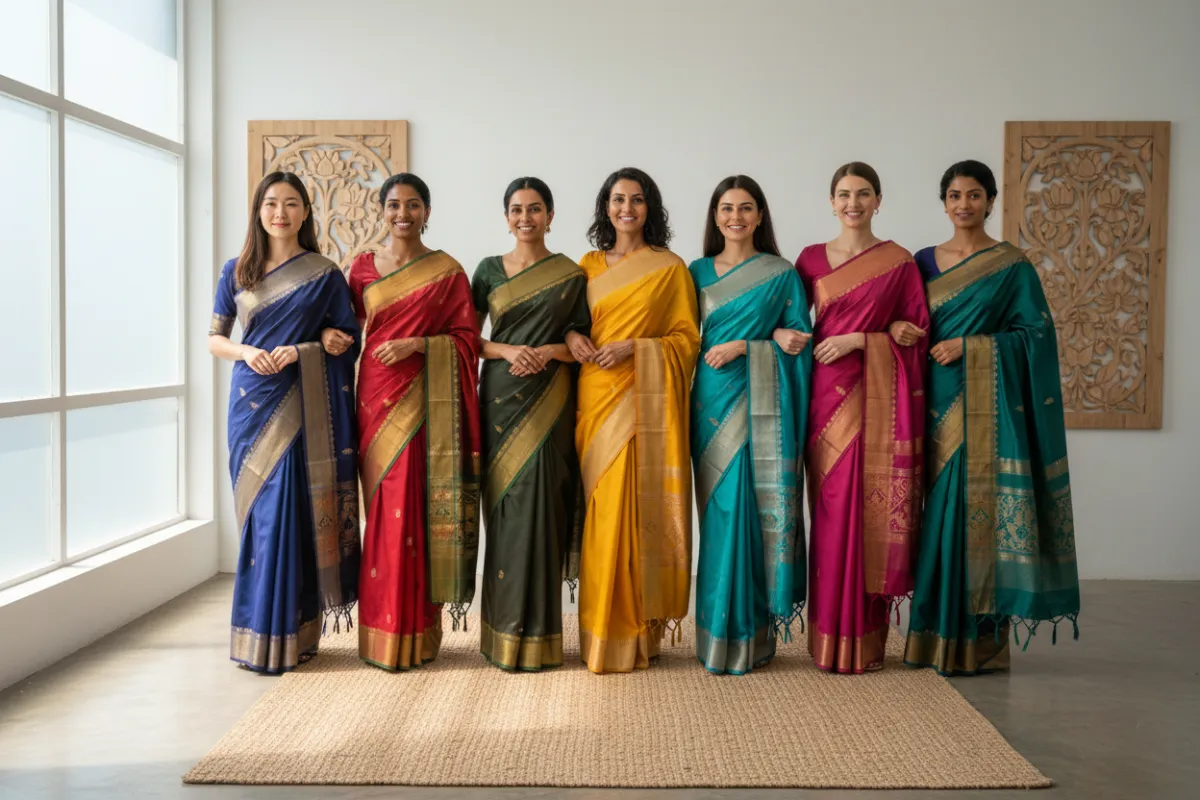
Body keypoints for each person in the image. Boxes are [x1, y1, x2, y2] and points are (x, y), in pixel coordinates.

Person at [905, 159, 1080, 676]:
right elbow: (906, 319)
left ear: (990, 201)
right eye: (955, 196)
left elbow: (1036, 336)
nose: (964, 205)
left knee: (977, 514)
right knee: (937, 518)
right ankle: (932, 637)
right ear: (943, 203)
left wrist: (972, 346)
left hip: (986, 406)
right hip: (931, 401)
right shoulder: (921, 262)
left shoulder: (1010, 265)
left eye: (974, 195)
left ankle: (978, 643)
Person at [208, 171, 361, 673]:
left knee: (294, 514)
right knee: (261, 518)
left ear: (305, 212)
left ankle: (296, 634)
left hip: (303, 402)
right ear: (258, 210)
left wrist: (308, 348)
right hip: (251, 403)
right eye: (271, 203)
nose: (280, 212)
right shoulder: (237, 271)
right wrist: (246, 352)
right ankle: (257, 634)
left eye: (291, 203)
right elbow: (215, 339)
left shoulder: (324, 273)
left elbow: (347, 339)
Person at [795, 161, 929, 674]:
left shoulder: (899, 262)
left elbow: (918, 333)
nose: (854, 203)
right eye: (845, 194)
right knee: (830, 513)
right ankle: (828, 636)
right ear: (831, 202)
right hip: (824, 398)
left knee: (868, 511)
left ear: (878, 201)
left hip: (877, 400)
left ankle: (865, 640)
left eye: (864, 193)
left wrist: (865, 338)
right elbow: (791, 323)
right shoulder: (809, 260)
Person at [346, 173, 482, 671]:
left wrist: (420, 345)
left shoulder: (447, 271)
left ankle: (418, 633)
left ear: (427, 211)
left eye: (413, 205)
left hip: (426, 399)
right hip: (375, 397)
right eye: (394, 205)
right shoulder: (362, 267)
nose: (402, 214)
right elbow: (345, 329)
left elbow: (467, 340)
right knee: (383, 510)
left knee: (416, 509)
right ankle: (381, 634)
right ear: (381, 210)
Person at [571, 167, 700, 674]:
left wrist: (636, 349)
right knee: (603, 517)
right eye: (619, 199)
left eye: (637, 199)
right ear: (606, 206)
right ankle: (601, 635)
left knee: (637, 512)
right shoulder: (586, 265)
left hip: (644, 399)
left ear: (651, 208)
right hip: (596, 398)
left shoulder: (670, 268)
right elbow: (570, 325)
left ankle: (636, 635)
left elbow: (686, 340)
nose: (627, 208)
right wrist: (576, 337)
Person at [689, 175, 812, 674]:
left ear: (760, 215)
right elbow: (679, 337)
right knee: (719, 517)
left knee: (751, 514)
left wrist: (751, 345)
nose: (735, 217)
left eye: (745, 208)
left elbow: (801, 341)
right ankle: (714, 636)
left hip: (762, 403)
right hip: (710, 404)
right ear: (715, 216)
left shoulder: (781, 273)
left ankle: (749, 637)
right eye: (726, 208)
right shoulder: (696, 271)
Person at [472, 177, 590, 671]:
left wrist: (546, 351)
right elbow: (468, 338)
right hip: (501, 399)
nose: (526, 218)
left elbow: (582, 343)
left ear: (551, 216)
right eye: (517, 210)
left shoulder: (571, 274)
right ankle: (500, 637)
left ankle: (541, 637)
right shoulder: (487, 270)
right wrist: (509, 350)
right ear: (506, 217)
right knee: (506, 512)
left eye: (535, 209)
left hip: (551, 399)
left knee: (544, 507)